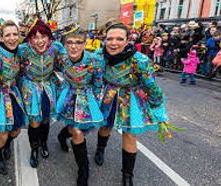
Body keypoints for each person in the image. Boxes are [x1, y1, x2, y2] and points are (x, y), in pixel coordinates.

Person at [94, 23, 170, 186]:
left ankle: (127, 175)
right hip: (109, 94)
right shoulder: (99, 56)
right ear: (105, 40)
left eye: (119, 39)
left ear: (128, 40)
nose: (114, 43)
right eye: (110, 39)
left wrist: (158, 110)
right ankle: (100, 149)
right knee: (105, 126)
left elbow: (151, 86)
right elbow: (94, 75)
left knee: (129, 134)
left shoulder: (140, 60)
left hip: (131, 98)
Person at [56, 24, 104, 186]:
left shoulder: (94, 61)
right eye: (70, 42)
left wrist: (96, 104)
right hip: (69, 95)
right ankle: (62, 136)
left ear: (84, 44)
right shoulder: (62, 58)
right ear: (65, 44)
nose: (74, 46)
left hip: (86, 98)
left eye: (78, 42)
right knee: (73, 127)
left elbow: (98, 84)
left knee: (77, 131)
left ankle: (83, 170)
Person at [17, 17, 66, 168]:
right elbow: (11, 65)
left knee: (45, 119)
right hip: (30, 89)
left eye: (43, 36)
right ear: (30, 39)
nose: (39, 41)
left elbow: (67, 64)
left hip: (48, 88)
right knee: (34, 121)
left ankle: (44, 143)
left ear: (49, 37)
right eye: (35, 37)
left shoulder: (56, 48)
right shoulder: (23, 50)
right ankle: (34, 149)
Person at [0, 20, 28, 175]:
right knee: (1, 133)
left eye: (15, 34)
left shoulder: (19, 52)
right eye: (7, 35)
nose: (12, 38)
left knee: (15, 131)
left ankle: (5, 144)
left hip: (13, 95)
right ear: (1, 38)